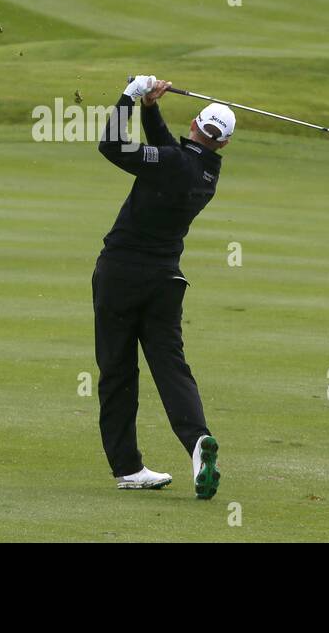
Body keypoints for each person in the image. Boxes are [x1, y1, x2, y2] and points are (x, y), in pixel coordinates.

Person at [93, 74, 232, 499]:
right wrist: (151, 110)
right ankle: (197, 443)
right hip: (166, 282)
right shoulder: (207, 172)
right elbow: (172, 155)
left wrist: (130, 96)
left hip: (121, 274)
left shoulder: (175, 162)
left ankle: (128, 467)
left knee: (118, 371)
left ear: (194, 123)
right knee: (173, 368)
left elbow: (111, 146)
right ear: (222, 143)